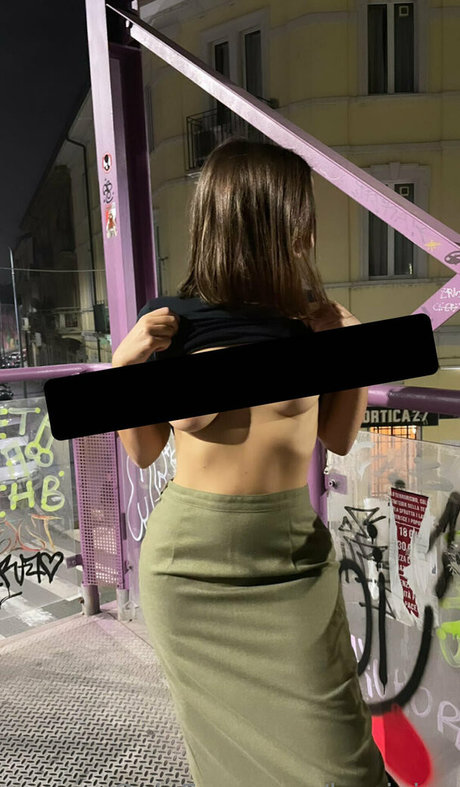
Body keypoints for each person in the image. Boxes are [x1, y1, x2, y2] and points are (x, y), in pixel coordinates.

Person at [112, 138, 389, 787]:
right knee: (225, 764)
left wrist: (351, 351)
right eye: (299, 212)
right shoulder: (171, 322)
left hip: (291, 560)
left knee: (344, 767)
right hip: (188, 568)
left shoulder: (309, 321)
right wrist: (125, 366)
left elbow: (339, 438)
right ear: (264, 219)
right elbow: (145, 450)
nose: (308, 229)